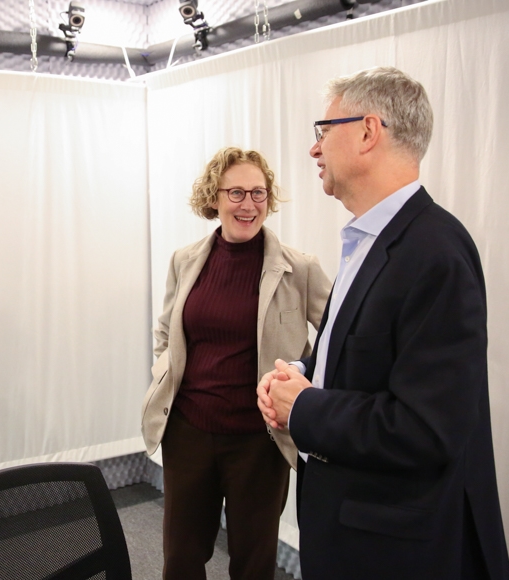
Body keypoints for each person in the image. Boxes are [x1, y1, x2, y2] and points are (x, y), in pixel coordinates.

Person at [257, 67, 509, 579]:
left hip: (396, 552)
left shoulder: (434, 251)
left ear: (368, 132)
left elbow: (425, 428)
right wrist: (303, 371)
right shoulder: (373, 240)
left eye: (323, 131)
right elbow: (361, 354)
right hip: (355, 533)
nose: (315, 150)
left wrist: (305, 406)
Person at [141, 147, 331, 580]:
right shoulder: (185, 261)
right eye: (237, 193)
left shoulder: (298, 269)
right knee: (182, 559)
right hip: (187, 433)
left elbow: (340, 341)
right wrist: (163, 376)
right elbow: (167, 333)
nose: (249, 205)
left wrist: (304, 389)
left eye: (259, 194)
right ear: (215, 197)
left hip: (258, 442)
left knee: (253, 562)